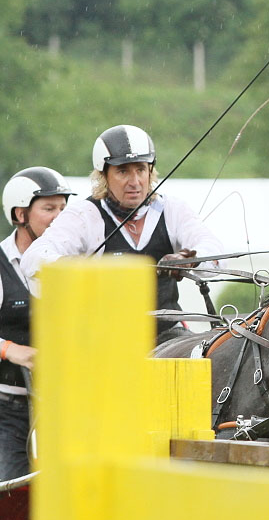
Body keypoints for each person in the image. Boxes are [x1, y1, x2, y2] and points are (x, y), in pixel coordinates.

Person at [21, 125, 224, 345]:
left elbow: (213, 251)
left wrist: (188, 259)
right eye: (123, 171)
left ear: (150, 171)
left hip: (167, 335)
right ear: (104, 175)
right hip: (104, 339)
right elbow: (33, 258)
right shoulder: (84, 215)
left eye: (140, 170)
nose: (135, 182)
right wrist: (74, 266)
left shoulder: (172, 209)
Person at [0, 166, 73, 480]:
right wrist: (11, 350)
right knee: (12, 494)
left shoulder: (73, 259)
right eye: (49, 209)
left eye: (63, 208)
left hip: (65, 406)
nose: (60, 217)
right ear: (20, 215)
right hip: (8, 409)